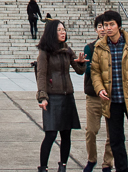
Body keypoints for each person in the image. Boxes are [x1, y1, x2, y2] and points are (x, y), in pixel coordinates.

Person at [91, 10, 128, 172]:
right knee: (116, 140)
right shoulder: (100, 46)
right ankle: (122, 169)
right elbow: (95, 72)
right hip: (111, 101)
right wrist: (100, 88)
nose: (108, 28)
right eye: (105, 25)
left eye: (111, 24)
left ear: (118, 26)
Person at [36, 18, 87, 172]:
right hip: (53, 97)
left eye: (64, 29)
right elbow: (41, 74)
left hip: (67, 97)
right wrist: (42, 96)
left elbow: (79, 71)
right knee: (50, 135)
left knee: (66, 134)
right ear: (52, 32)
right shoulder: (45, 52)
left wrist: (82, 62)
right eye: (59, 30)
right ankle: (43, 167)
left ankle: (62, 165)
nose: (63, 32)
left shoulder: (67, 50)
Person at [83, 15, 114, 172]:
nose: (103, 29)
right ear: (96, 29)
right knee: (91, 131)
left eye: (106, 26)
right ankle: (91, 158)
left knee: (112, 132)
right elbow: (88, 69)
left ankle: (107, 163)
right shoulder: (89, 47)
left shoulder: (114, 46)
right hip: (94, 96)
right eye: (100, 26)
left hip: (111, 96)